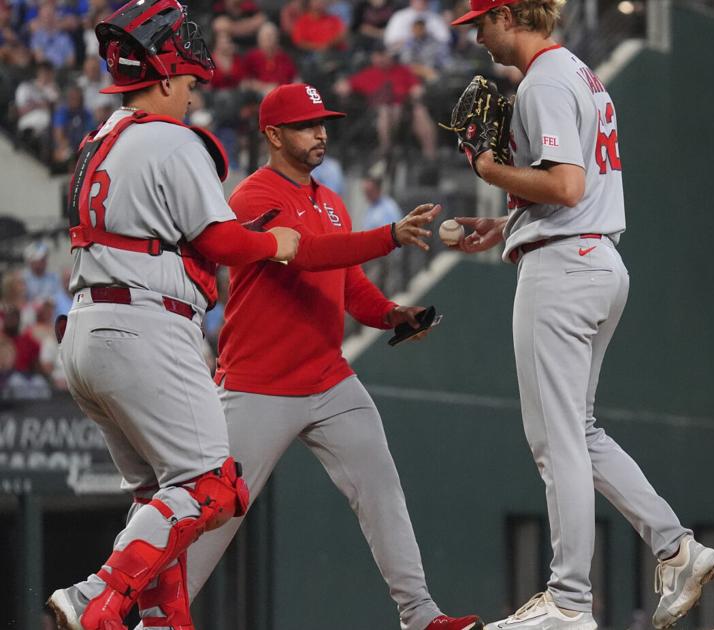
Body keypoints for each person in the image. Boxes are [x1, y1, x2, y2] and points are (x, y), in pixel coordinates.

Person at [129, 82, 481, 630]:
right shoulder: (252, 197)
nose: (320, 134)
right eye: (305, 126)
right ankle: (150, 622)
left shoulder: (331, 201)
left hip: (329, 380)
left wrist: (392, 314)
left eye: (322, 124)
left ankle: (420, 614)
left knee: (381, 487)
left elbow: (349, 283)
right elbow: (309, 256)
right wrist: (389, 235)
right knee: (214, 516)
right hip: (257, 385)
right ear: (273, 135)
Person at [447, 2, 714, 629]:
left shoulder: (543, 81)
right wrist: (507, 223)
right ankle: (676, 549)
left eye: (482, 21)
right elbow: (575, 190)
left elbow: (567, 185)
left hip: (563, 270)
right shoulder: (576, 70)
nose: (477, 34)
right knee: (581, 431)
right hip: (593, 260)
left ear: (510, 14)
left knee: (557, 441)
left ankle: (569, 602)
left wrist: (489, 169)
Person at [44, 2, 301, 629]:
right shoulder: (173, 138)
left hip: (88, 329)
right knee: (211, 484)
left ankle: (162, 624)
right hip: (144, 326)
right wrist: (274, 243)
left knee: (164, 501)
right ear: (162, 77)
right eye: (186, 81)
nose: (190, 95)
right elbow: (221, 242)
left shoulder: (98, 139)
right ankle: (93, 597)